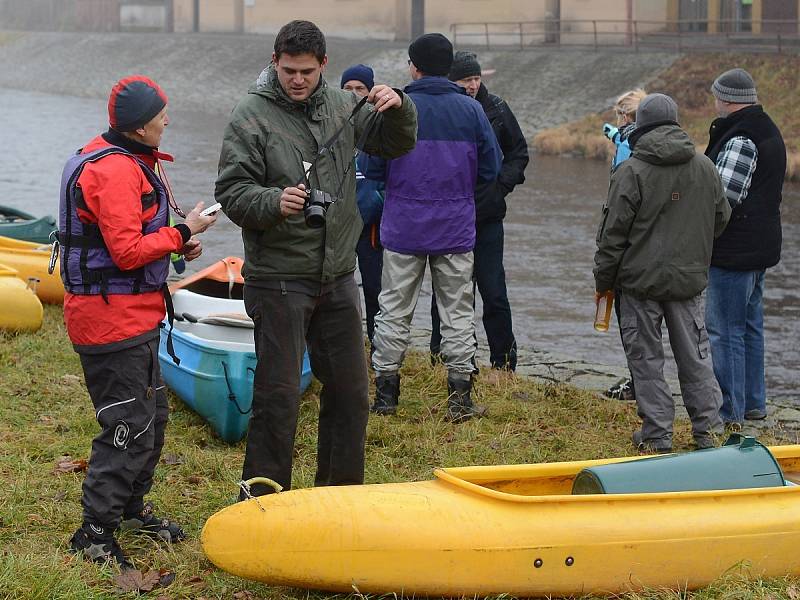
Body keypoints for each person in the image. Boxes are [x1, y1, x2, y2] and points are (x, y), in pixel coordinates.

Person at [215, 20, 417, 497]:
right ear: (274, 63)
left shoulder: (344, 106)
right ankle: (262, 500)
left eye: (306, 71)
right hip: (278, 277)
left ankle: (338, 496)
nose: (297, 79)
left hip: (338, 276)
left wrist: (400, 107)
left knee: (351, 393)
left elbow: (396, 143)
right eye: (288, 71)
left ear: (323, 66)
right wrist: (271, 202)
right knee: (278, 398)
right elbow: (230, 191)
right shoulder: (250, 114)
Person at [61, 75, 217, 567]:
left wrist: (177, 240)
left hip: (134, 313)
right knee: (127, 425)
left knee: (153, 419)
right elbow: (127, 252)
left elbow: (136, 240)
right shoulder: (113, 172)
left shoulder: (129, 159)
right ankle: (95, 533)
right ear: (139, 124)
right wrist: (184, 229)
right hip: (110, 319)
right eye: (161, 114)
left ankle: (128, 509)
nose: (167, 120)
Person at [368, 34, 502, 422]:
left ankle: (385, 395)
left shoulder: (395, 106)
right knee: (457, 312)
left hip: (403, 227)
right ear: (449, 67)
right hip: (455, 227)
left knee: (392, 310)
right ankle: (460, 398)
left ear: (414, 66)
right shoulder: (471, 110)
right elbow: (491, 169)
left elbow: (374, 168)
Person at [594, 93, 730, 453]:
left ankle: (657, 436)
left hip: (639, 282)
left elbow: (612, 236)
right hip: (688, 280)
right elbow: (721, 218)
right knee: (695, 356)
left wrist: (603, 283)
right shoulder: (704, 166)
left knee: (646, 359)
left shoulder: (631, 170)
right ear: (676, 122)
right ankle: (709, 433)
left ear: (640, 125)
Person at [429, 51, 529, 373]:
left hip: (487, 218)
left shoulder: (497, 108)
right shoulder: (445, 111)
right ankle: (441, 356)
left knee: (494, 292)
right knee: (447, 292)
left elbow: (519, 153)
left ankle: (504, 363)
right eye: (465, 80)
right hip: (450, 217)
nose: (472, 85)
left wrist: (500, 188)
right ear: (451, 81)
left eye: (476, 79)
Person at [705, 68, 786, 428]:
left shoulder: (741, 138)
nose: (715, 103)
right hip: (760, 246)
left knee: (725, 330)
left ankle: (730, 412)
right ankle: (754, 403)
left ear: (727, 99)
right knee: (750, 327)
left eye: (716, 97)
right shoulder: (767, 127)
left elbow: (723, 198)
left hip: (734, 250)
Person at [600, 88, 646, 402]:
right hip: (653, 244)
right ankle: (643, 382)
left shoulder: (628, 144)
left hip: (629, 244)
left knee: (630, 318)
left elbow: (621, 199)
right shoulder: (648, 140)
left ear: (626, 116)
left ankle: (637, 383)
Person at [341, 63, 385, 353]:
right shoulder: (331, 123)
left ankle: (377, 348)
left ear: (370, 93)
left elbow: (390, 178)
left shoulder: (381, 127)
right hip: (338, 226)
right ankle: (342, 347)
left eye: (360, 89)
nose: (354, 94)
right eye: (348, 89)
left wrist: (375, 203)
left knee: (375, 291)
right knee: (338, 292)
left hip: (371, 229)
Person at [602, 89, 647, 171]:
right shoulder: (651, 135)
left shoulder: (626, 147)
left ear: (625, 118)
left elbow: (620, 182)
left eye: (617, 116)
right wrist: (617, 137)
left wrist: (623, 144)